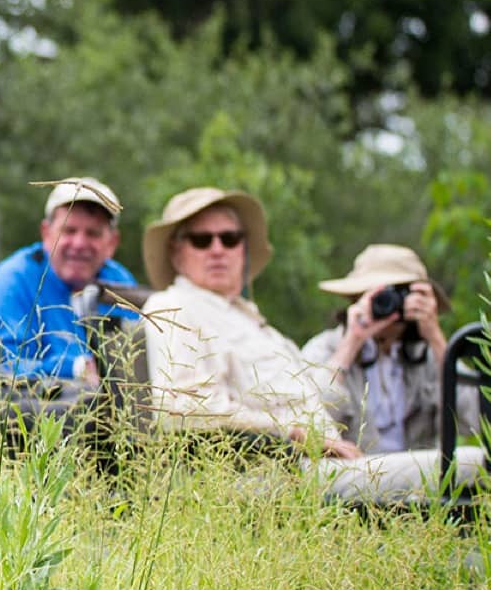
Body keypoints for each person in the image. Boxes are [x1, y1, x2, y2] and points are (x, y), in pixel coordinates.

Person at [139, 187, 360, 458]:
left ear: (243, 248)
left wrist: (355, 338)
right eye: (201, 240)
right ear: (176, 253)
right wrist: (290, 432)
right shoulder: (174, 307)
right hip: (279, 470)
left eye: (230, 238)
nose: (218, 249)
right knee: (428, 471)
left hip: (330, 463)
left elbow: (313, 398)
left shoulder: (251, 319)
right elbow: (183, 410)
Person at [0, 178, 139, 384]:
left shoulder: (120, 282)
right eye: (69, 230)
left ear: (112, 242)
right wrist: (74, 368)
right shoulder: (13, 280)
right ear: (46, 233)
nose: (79, 243)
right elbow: (2, 365)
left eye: (93, 233)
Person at [300, 245, 453, 453]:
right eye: (377, 296)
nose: (387, 304)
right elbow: (308, 422)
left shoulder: (427, 355)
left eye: (398, 295)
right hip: (353, 475)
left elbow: (474, 419)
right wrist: (351, 344)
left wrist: (436, 337)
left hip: (421, 476)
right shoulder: (324, 349)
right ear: (355, 298)